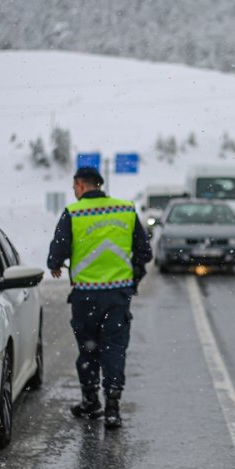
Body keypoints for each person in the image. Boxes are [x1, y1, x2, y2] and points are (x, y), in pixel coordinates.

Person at [47, 166, 152, 429]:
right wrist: (133, 277)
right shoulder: (125, 210)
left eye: (75, 186)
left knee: (89, 350)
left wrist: (55, 264)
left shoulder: (73, 213)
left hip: (85, 297)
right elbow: (144, 252)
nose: (74, 191)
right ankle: (113, 407)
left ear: (81, 185)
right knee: (114, 349)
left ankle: (91, 401)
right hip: (117, 296)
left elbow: (57, 251)